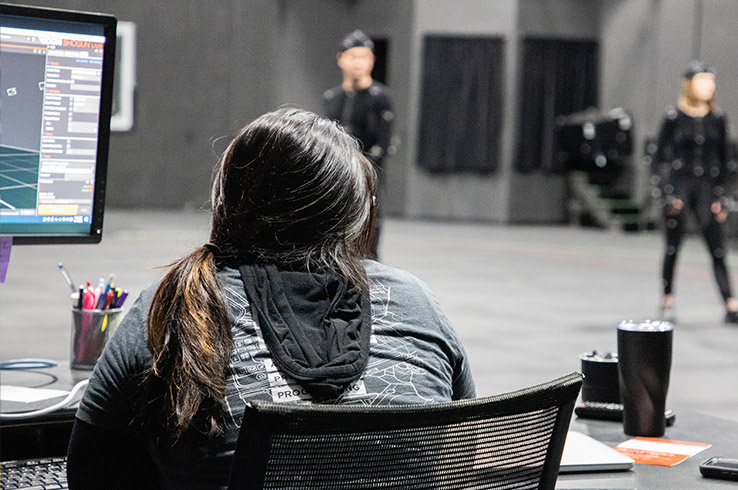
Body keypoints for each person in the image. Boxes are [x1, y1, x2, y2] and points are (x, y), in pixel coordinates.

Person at [67, 108, 475, 490]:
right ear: (353, 213)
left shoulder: (173, 300)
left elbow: (92, 471)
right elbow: (461, 455)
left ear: (229, 199)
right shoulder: (416, 300)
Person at [651, 60, 738, 327]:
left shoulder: (718, 120)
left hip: (708, 189)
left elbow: (725, 161)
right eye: (702, 81)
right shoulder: (674, 118)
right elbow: (658, 159)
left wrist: (722, 198)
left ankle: (731, 304)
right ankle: (667, 299)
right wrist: (666, 194)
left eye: (711, 81)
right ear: (689, 85)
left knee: (718, 249)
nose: (709, 86)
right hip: (680, 188)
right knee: (673, 247)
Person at [323, 30, 394, 259]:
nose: (358, 63)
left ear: (372, 61)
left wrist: (364, 171)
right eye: (353, 57)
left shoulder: (381, 97)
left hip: (368, 174)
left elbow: (383, 142)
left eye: (363, 57)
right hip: (336, 175)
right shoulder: (332, 98)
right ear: (341, 59)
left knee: (370, 225)